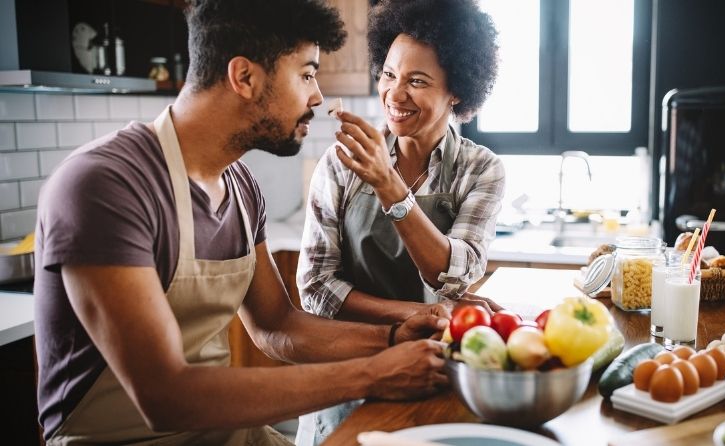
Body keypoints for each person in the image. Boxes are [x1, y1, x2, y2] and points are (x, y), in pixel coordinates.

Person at [33, 1, 448, 444]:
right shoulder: (105, 185)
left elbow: (277, 326)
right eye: (306, 74)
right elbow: (163, 395)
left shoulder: (240, 186)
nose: (317, 97)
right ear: (244, 78)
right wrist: (372, 374)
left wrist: (393, 338)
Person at [296, 0, 504, 443]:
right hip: (353, 370)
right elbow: (315, 287)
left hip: (437, 368)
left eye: (417, 81)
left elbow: (454, 275)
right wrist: (415, 314)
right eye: (388, 74)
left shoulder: (480, 170)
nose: (394, 94)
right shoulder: (340, 164)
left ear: (457, 91)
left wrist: (390, 186)